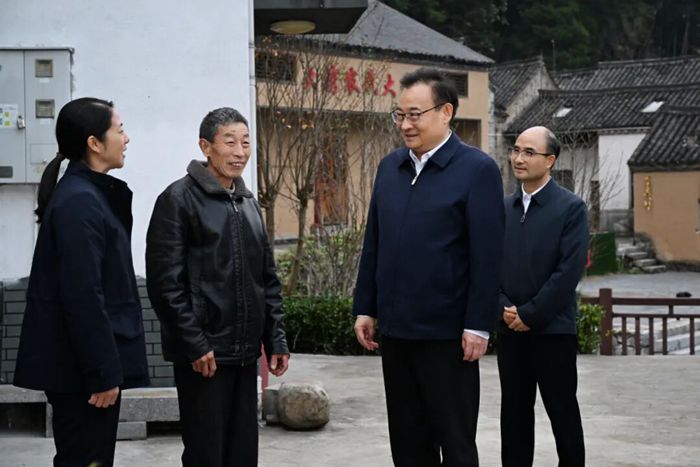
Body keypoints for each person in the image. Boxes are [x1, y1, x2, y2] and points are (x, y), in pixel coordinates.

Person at [353, 68, 505, 467]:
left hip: (447, 336)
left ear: (446, 112)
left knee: (455, 441)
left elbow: (487, 255)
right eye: (400, 115)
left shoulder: (476, 170)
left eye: (415, 115)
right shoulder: (390, 168)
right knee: (407, 442)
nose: (405, 124)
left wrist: (478, 325)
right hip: (397, 331)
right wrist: (366, 306)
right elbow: (375, 241)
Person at [146, 107, 289, 467]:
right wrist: (194, 343)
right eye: (230, 142)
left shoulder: (248, 203)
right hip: (204, 357)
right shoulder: (178, 200)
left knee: (242, 454)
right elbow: (165, 286)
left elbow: (267, 278)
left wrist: (275, 339)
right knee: (206, 454)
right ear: (205, 146)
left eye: (246, 143)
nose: (240, 152)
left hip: (245, 354)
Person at [14, 97, 150, 467]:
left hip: (83, 370)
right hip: (82, 376)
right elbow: (83, 295)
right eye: (119, 130)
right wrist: (102, 373)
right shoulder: (80, 201)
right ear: (94, 143)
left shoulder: (87, 194)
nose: (126, 139)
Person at [497, 126, 589, 467]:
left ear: (550, 160)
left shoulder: (571, 208)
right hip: (509, 330)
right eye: (516, 150)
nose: (518, 158)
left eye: (529, 152)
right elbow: (487, 264)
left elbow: (569, 271)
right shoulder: (502, 208)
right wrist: (504, 308)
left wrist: (531, 314)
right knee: (514, 416)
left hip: (553, 331)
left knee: (563, 414)